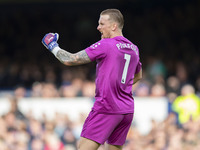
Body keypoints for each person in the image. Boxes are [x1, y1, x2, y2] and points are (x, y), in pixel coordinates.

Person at [42, 9, 142, 150]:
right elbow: (138, 75)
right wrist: (121, 88)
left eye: (102, 24)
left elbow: (70, 59)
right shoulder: (134, 48)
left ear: (113, 26)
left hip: (107, 107)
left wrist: (52, 46)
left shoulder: (106, 45)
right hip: (127, 110)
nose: (98, 27)